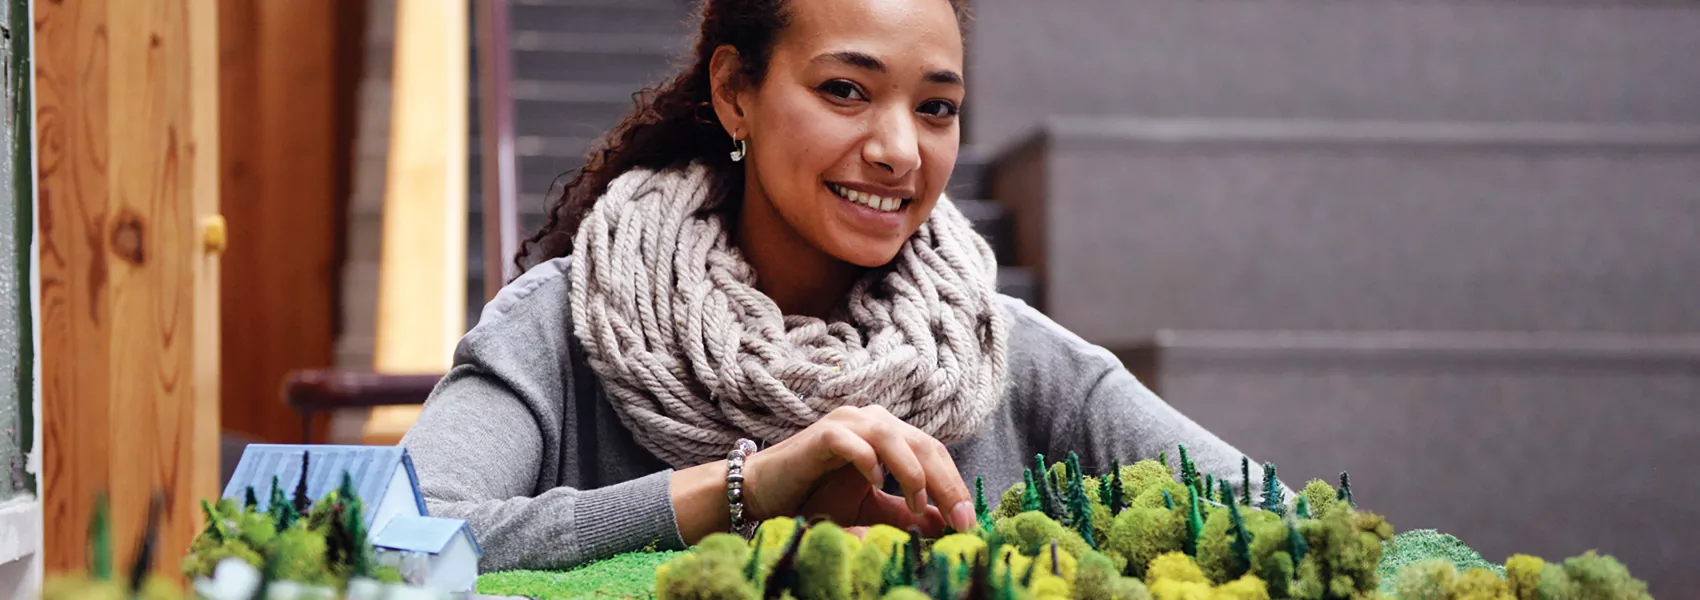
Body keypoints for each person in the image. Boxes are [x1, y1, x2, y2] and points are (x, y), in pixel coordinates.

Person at [400, 0, 1286, 573]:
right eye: (846, 91)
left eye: (935, 107)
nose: (900, 148)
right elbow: (400, 543)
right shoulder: (559, 326)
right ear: (735, 93)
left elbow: (1291, 529)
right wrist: (747, 490)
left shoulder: (1022, 361)